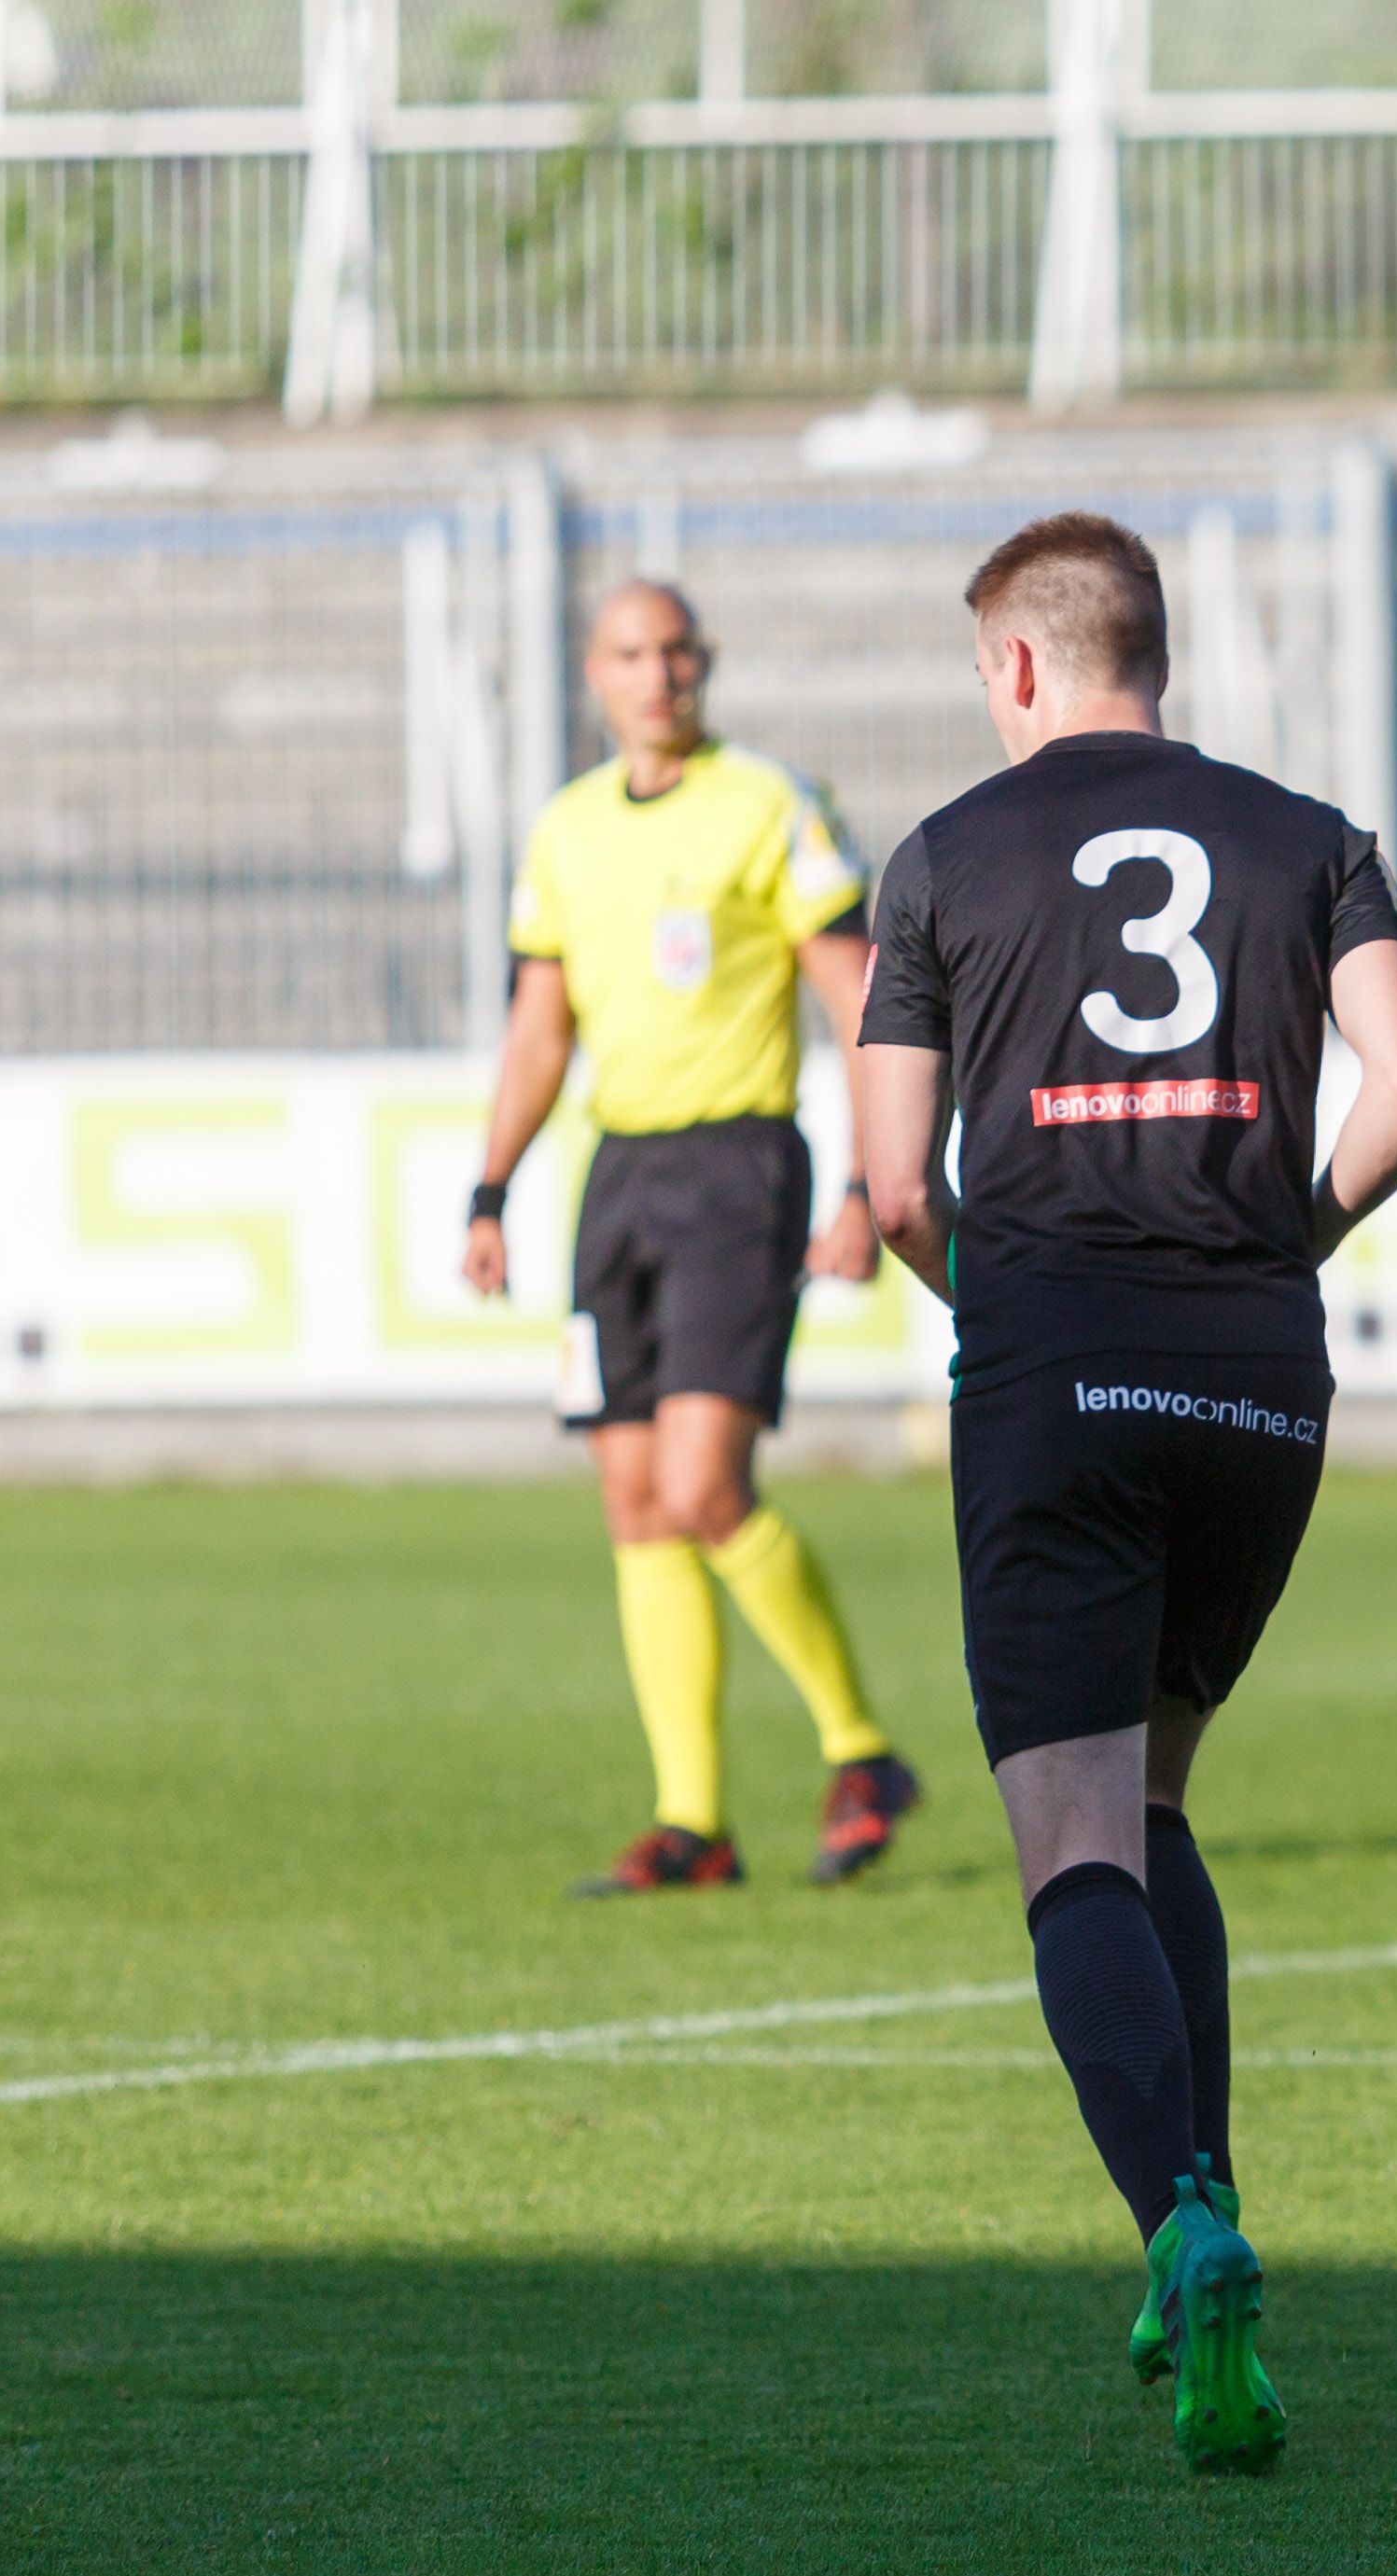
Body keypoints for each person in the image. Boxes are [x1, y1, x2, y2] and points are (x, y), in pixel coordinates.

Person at [853, 512, 1397, 2477]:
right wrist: (1283, 1242)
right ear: (1151, 650)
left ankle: (1181, 2230)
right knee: (1159, 1794)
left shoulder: (941, 858)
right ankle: (1205, 2204)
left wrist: (1017, 1303)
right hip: (1261, 1371)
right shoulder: (1314, 839)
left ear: (1019, 664)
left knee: (1073, 1845)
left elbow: (896, 1190)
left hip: (1056, 1369)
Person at [467, 579, 923, 1898]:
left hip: (739, 1166)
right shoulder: (565, 829)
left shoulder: (769, 805)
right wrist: (490, 1189)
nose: (657, 674)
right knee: (633, 1499)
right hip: (619, 1175)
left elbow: (857, 1000)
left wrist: (866, 1181)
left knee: (705, 1483)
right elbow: (539, 1028)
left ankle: (860, 1750)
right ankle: (692, 1820)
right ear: (595, 674)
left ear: (703, 663)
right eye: (631, 653)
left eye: (676, 651)